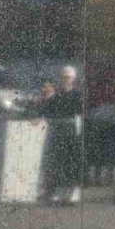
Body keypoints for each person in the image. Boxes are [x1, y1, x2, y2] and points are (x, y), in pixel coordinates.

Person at [42, 66, 83, 204]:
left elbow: (80, 113)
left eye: (69, 77)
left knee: (72, 160)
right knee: (59, 160)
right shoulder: (56, 94)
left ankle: (74, 191)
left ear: (74, 78)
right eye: (64, 77)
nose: (66, 79)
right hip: (58, 129)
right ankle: (58, 190)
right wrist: (47, 97)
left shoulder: (78, 94)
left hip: (72, 128)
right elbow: (49, 110)